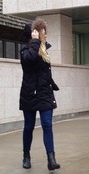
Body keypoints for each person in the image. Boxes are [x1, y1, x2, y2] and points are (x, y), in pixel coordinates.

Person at [19, 18, 60, 171]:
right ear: (34, 34)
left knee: (47, 125)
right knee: (29, 126)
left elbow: (43, 72)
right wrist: (35, 42)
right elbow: (29, 61)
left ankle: (51, 159)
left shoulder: (44, 49)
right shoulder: (25, 50)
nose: (46, 35)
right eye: (43, 32)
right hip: (29, 94)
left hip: (44, 93)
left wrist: (52, 84)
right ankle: (26, 155)